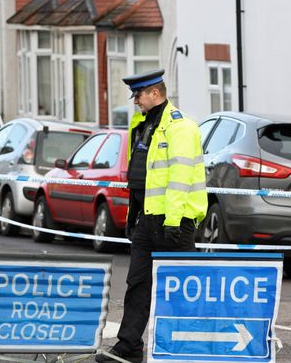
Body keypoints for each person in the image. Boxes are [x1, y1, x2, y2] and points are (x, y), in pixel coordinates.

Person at [96, 69, 207, 363]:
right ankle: (128, 347)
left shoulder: (180, 128)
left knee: (183, 290)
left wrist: (172, 222)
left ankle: (188, 350)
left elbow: (180, 179)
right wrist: (133, 216)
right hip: (147, 221)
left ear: (155, 93)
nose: (136, 101)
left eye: (139, 95)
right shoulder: (144, 126)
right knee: (137, 285)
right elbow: (140, 178)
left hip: (175, 223)